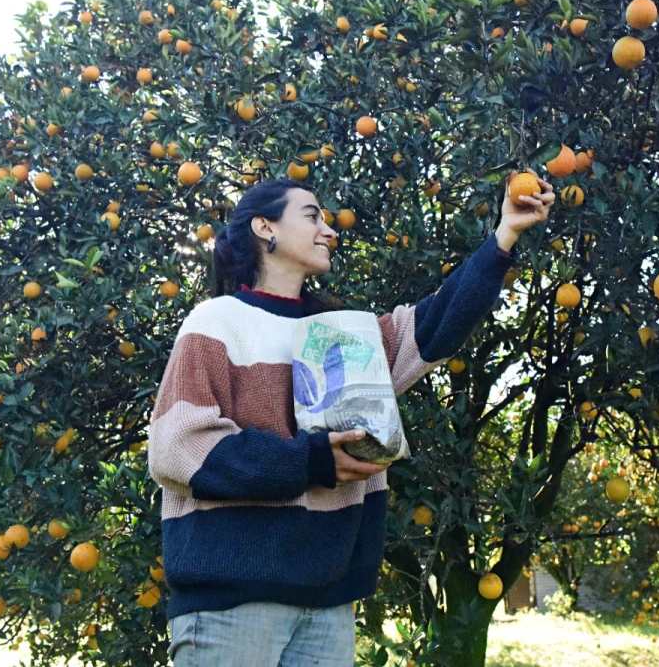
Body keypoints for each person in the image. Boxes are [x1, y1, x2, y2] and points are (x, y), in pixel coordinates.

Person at [148, 171, 553, 666]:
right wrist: (312, 461)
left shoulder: (342, 336)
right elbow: (178, 449)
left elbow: (437, 322)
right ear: (264, 227)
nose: (329, 230)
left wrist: (505, 234)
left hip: (328, 604)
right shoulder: (217, 323)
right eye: (311, 216)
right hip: (233, 601)